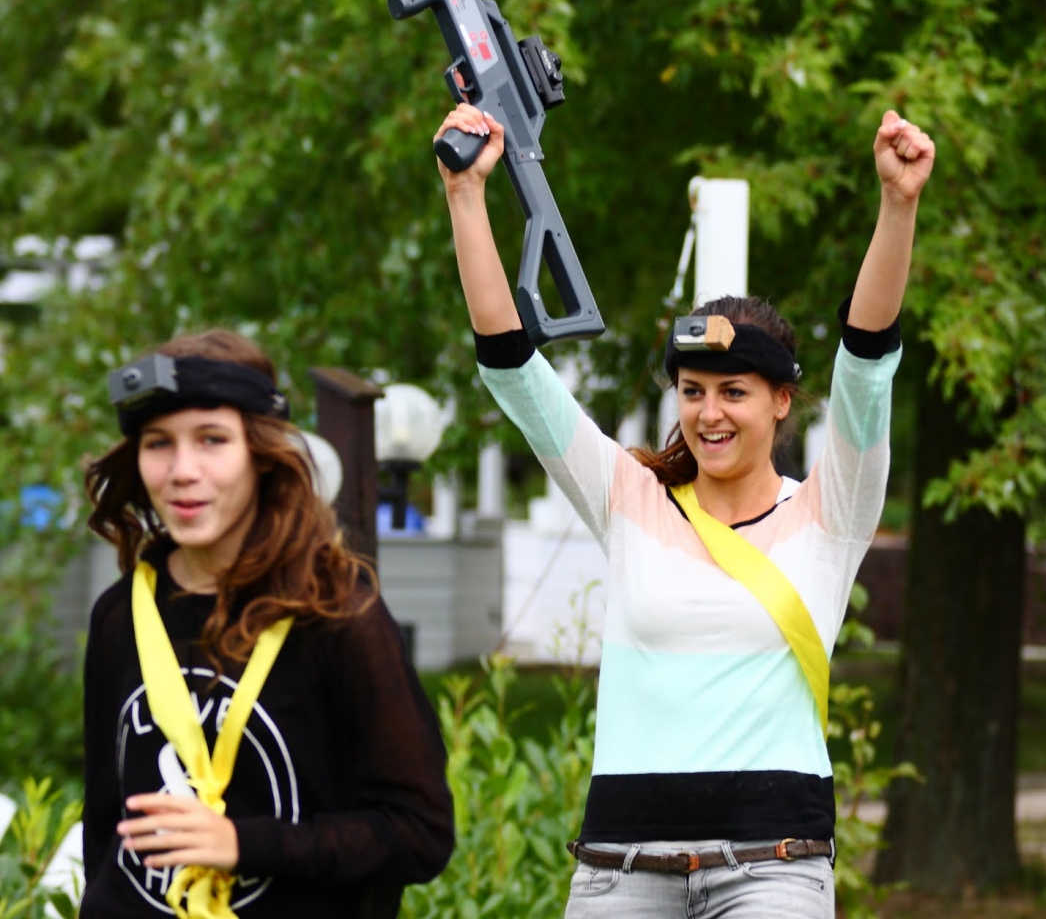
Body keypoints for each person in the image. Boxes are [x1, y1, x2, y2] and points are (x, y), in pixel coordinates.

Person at [438, 99, 933, 917]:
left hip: (774, 867)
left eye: (734, 391)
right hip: (621, 869)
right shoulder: (628, 497)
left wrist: (897, 204)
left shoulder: (829, 514)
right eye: (693, 390)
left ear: (781, 401)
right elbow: (513, 371)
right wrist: (465, 196)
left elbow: (867, 364)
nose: (709, 413)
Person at [78, 330, 455, 918]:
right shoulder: (120, 613)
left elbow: (418, 833)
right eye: (158, 443)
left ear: (260, 453)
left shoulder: (336, 612)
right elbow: (105, 829)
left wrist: (242, 843)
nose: (182, 470)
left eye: (212, 439)